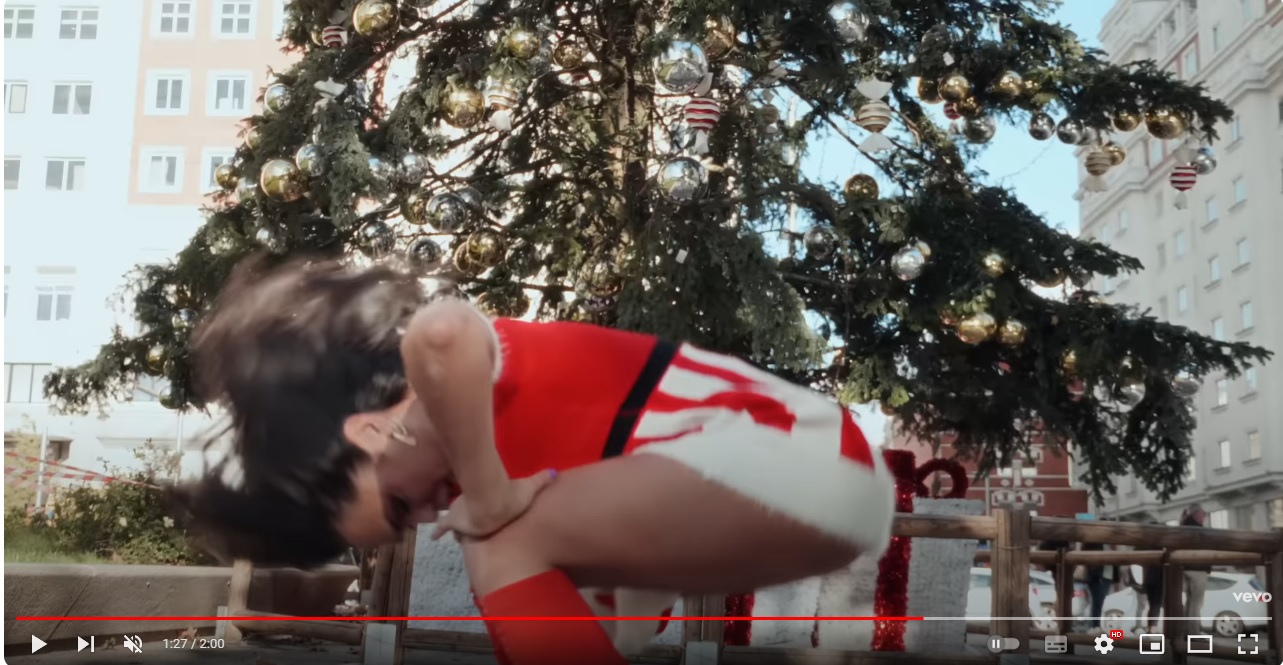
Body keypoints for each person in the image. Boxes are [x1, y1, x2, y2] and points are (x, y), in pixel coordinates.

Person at [171, 257, 895, 665]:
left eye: (399, 504)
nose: (425, 516)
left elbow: (444, 330)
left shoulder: (455, 388)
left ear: (368, 431)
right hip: (805, 489)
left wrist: (489, 493)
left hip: (804, 459)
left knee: (498, 534)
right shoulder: (533, 483)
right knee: (507, 543)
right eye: (405, 524)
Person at [1181, 505, 1210, 633]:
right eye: (1202, 514)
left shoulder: (1182, 528)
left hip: (1185, 567)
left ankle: (1186, 630)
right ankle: (1193, 631)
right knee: (1196, 603)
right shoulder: (1199, 530)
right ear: (1196, 515)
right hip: (1198, 567)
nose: (1204, 517)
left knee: (1190, 601)